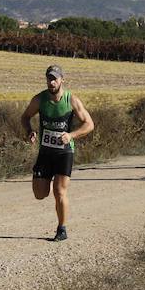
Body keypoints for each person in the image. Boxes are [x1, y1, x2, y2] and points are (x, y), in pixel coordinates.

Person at [20, 64, 95, 241]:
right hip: (45, 152)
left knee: (59, 191)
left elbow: (89, 124)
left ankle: (62, 229)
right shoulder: (39, 99)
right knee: (40, 194)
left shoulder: (72, 100)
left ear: (62, 80)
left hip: (64, 152)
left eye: (54, 78)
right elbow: (25, 117)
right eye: (49, 78)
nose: (51, 82)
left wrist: (71, 135)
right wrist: (29, 131)